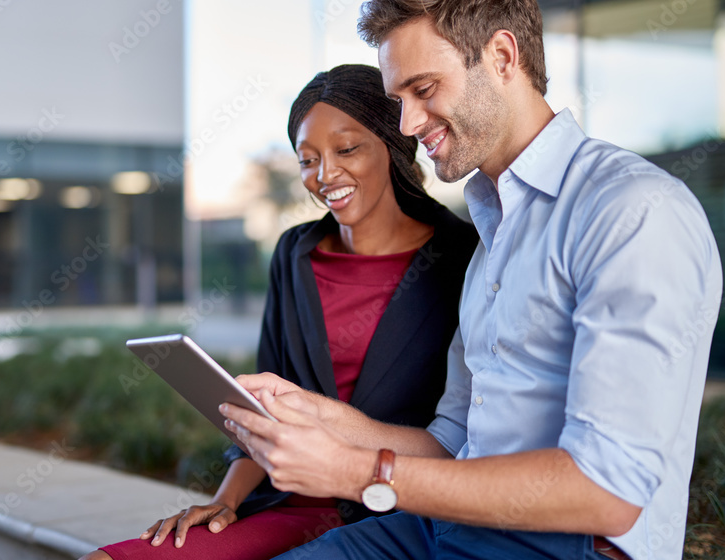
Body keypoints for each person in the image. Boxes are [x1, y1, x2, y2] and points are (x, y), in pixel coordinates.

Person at [221, 1, 723, 560]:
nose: (408, 125)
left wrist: (355, 470)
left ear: (503, 56)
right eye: (399, 101)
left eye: (425, 89)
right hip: (441, 528)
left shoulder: (632, 210)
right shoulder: (491, 236)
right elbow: (452, 443)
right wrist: (327, 418)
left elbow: (607, 493)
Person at [79, 64, 478, 560]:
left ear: (393, 146)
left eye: (347, 149)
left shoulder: (464, 255)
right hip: (288, 500)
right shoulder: (295, 253)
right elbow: (263, 412)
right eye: (307, 159)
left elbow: (462, 430)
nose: (325, 175)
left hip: (395, 510)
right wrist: (224, 502)